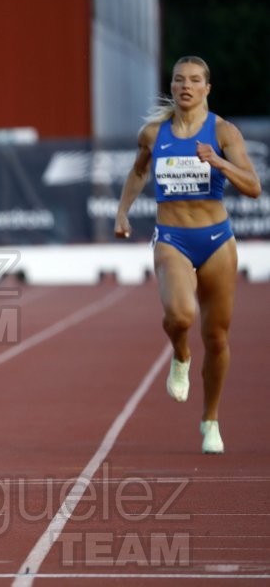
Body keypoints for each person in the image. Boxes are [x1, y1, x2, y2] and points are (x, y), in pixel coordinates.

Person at [114, 56, 261, 454]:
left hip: (216, 240)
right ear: (173, 86)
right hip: (172, 238)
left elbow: (253, 186)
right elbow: (139, 171)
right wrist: (123, 210)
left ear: (207, 89)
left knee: (216, 337)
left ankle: (210, 420)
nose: (186, 86)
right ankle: (180, 355)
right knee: (180, 316)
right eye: (180, 79)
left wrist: (217, 161)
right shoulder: (152, 134)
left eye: (195, 80)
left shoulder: (224, 132)